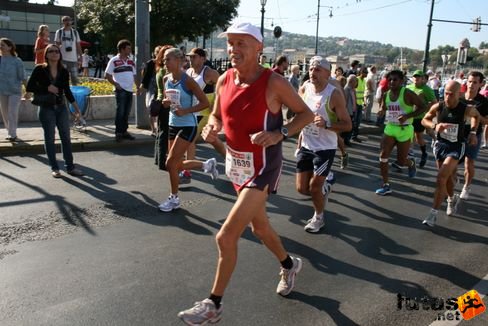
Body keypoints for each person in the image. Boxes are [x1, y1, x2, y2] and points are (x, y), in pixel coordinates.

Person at [177, 22, 314, 325]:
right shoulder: (225, 79)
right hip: (237, 166)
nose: (234, 49)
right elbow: (216, 114)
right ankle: (290, 265)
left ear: (259, 48)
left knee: (226, 237)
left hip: (264, 167)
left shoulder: (273, 82)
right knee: (260, 228)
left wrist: (280, 133)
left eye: (242, 43)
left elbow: (305, 114)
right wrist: (212, 127)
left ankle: (213, 304)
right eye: (231, 43)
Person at [157, 48, 217, 212]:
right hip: (172, 123)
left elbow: (204, 103)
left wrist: (185, 110)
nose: (165, 63)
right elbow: (165, 100)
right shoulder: (166, 78)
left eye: (168, 59)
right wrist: (165, 103)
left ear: (178, 61)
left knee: (170, 162)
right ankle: (206, 165)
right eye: (164, 60)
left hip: (188, 125)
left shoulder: (188, 80)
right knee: (175, 164)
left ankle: (174, 198)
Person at [296, 56, 352, 232]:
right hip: (306, 145)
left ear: (328, 73)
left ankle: (318, 218)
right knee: (301, 189)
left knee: (314, 188)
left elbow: (347, 124)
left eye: (318, 69)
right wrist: (299, 142)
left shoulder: (333, 94)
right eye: (311, 69)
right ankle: (326, 186)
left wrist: (327, 124)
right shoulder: (305, 88)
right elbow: (299, 115)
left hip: (324, 149)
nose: (313, 72)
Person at [421, 81, 479, 227]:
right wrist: (435, 125)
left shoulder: (466, 109)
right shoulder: (439, 107)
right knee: (446, 180)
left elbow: (476, 116)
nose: (447, 96)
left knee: (441, 177)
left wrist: (472, 132)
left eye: (451, 94)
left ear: (459, 94)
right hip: (440, 146)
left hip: (456, 147)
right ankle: (451, 198)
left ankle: (432, 214)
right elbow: (424, 120)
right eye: (445, 93)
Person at [26, 44, 83, 178]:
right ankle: (55, 168)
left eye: (57, 51)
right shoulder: (40, 69)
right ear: (46, 54)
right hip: (46, 108)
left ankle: (70, 167)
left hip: (61, 107)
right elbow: (30, 86)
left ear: (60, 54)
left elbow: (67, 91)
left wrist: (77, 109)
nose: (54, 53)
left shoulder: (63, 71)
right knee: (49, 138)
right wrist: (47, 88)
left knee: (66, 138)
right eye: (51, 51)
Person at [375, 70, 426, 195]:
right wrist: (381, 111)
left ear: (401, 81)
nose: (392, 82)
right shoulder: (386, 94)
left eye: (395, 79)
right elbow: (383, 106)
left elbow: (423, 107)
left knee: (401, 162)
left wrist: (407, 115)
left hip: (405, 129)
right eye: (390, 79)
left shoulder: (407, 93)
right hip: (391, 127)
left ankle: (411, 163)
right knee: (383, 156)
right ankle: (386, 185)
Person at [179, 47, 223, 184]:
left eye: (194, 57)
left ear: (203, 58)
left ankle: (187, 172)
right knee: (210, 140)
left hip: (205, 113)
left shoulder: (209, 73)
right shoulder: (188, 72)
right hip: (191, 111)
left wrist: (216, 105)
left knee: (189, 140)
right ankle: (227, 160)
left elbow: (224, 87)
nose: (191, 59)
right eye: (190, 57)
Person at [459, 71, 488, 200]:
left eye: (475, 82)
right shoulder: (459, 97)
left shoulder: (483, 101)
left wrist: (476, 115)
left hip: (474, 135)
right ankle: (452, 182)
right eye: (469, 81)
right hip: (457, 134)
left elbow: (486, 121)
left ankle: (466, 186)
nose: (471, 85)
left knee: (468, 162)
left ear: (481, 84)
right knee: (451, 162)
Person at [105, 39, 138, 142]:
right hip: (121, 90)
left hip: (129, 90)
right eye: (128, 48)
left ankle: (124, 131)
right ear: (122, 49)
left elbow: (135, 75)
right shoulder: (114, 60)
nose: (130, 50)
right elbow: (107, 75)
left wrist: (137, 86)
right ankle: (118, 133)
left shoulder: (131, 61)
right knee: (121, 112)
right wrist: (116, 84)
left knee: (126, 112)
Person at [407, 70, 437, 168]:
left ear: (422, 78)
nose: (416, 78)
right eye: (415, 76)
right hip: (409, 116)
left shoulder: (426, 89)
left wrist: (425, 109)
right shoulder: (408, 87)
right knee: (409, 138)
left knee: (418, 137)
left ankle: (424, 153)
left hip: (419, 117)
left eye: (418, 77)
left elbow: (434, 103)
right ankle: (409, 159)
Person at [0, 38, 29, 141]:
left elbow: (23, 76)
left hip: (15, 91)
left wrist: (28, 91)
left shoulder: (17, 61)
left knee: (12, 112)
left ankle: (13, 134)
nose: (1, 46)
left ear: (10, 47)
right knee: (5, 113)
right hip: (2, 91)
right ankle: (10, 132)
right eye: (0, 45)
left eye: (3, 45)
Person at [153, 45, 174, 170]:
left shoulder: (159, 69)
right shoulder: (165, 72)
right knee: (165, 133)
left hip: (161, 102)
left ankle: (158, 159)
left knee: (161, 133)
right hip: (166, 103)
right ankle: (162, 161)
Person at [139, 45, 162, 136]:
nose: (158, 54)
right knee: (151, 108)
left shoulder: (164, 63)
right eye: (157, 52)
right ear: (154, 53)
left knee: (161, 110)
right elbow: (146, 77)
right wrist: (141, 88)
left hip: (161, 89)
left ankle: (160, 128)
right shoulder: (151, 63)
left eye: (160, 52)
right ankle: (153, 129)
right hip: (152, 88)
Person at [54, 16, 82, 85]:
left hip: (74, 60)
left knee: (75, 79)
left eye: (69, 20)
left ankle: (74, 94)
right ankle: (63, 94)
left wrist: (80, 57)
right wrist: (56, 58)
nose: (67, 22)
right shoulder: (59, 32)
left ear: (71, 22)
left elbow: (78, 45)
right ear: (63, 22)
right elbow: (56, 46)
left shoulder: (75, 32)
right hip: (62, 59)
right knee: (63, 79)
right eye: (65, 20)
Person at [351, 67, 367, 142]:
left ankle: (355, 136)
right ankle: (352, 136)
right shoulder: (356, 79)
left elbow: (363, 92)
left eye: (366, 72)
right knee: (354, 120)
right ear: (360, 72)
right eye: (365, 72)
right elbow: (353, 91)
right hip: (355, 103)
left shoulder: (364, 81)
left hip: (360, 103)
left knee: (358, 121)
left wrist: (364, 102)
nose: (366, 74)